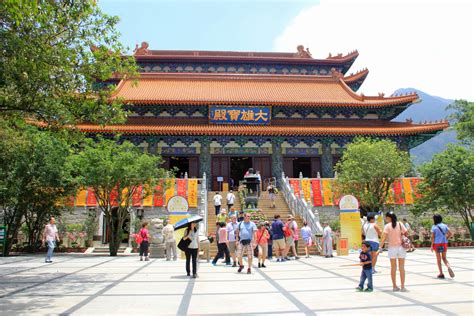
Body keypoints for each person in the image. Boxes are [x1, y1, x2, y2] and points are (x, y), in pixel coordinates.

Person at [379, 211, 408, 292]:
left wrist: (380, 247)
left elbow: (383, 238)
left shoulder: (387, 226)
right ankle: (402, 286)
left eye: (386, 217)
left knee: (393, 268)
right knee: (402, 267)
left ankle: (394, 286)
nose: (385, 219)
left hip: (392, 248)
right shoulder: (400, 224)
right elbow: (406, 233)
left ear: (389, 218)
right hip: (401, 248)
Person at [431, 214, 455, 279]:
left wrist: (431, 245)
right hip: (444, 243)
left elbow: (432, 237)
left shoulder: (434, 226)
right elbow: (450, 233)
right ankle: (448, 267)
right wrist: (446, 238)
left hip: (437, 244)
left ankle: (441, 273)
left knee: (438, 259)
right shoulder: (445, 225)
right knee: (444, 258)